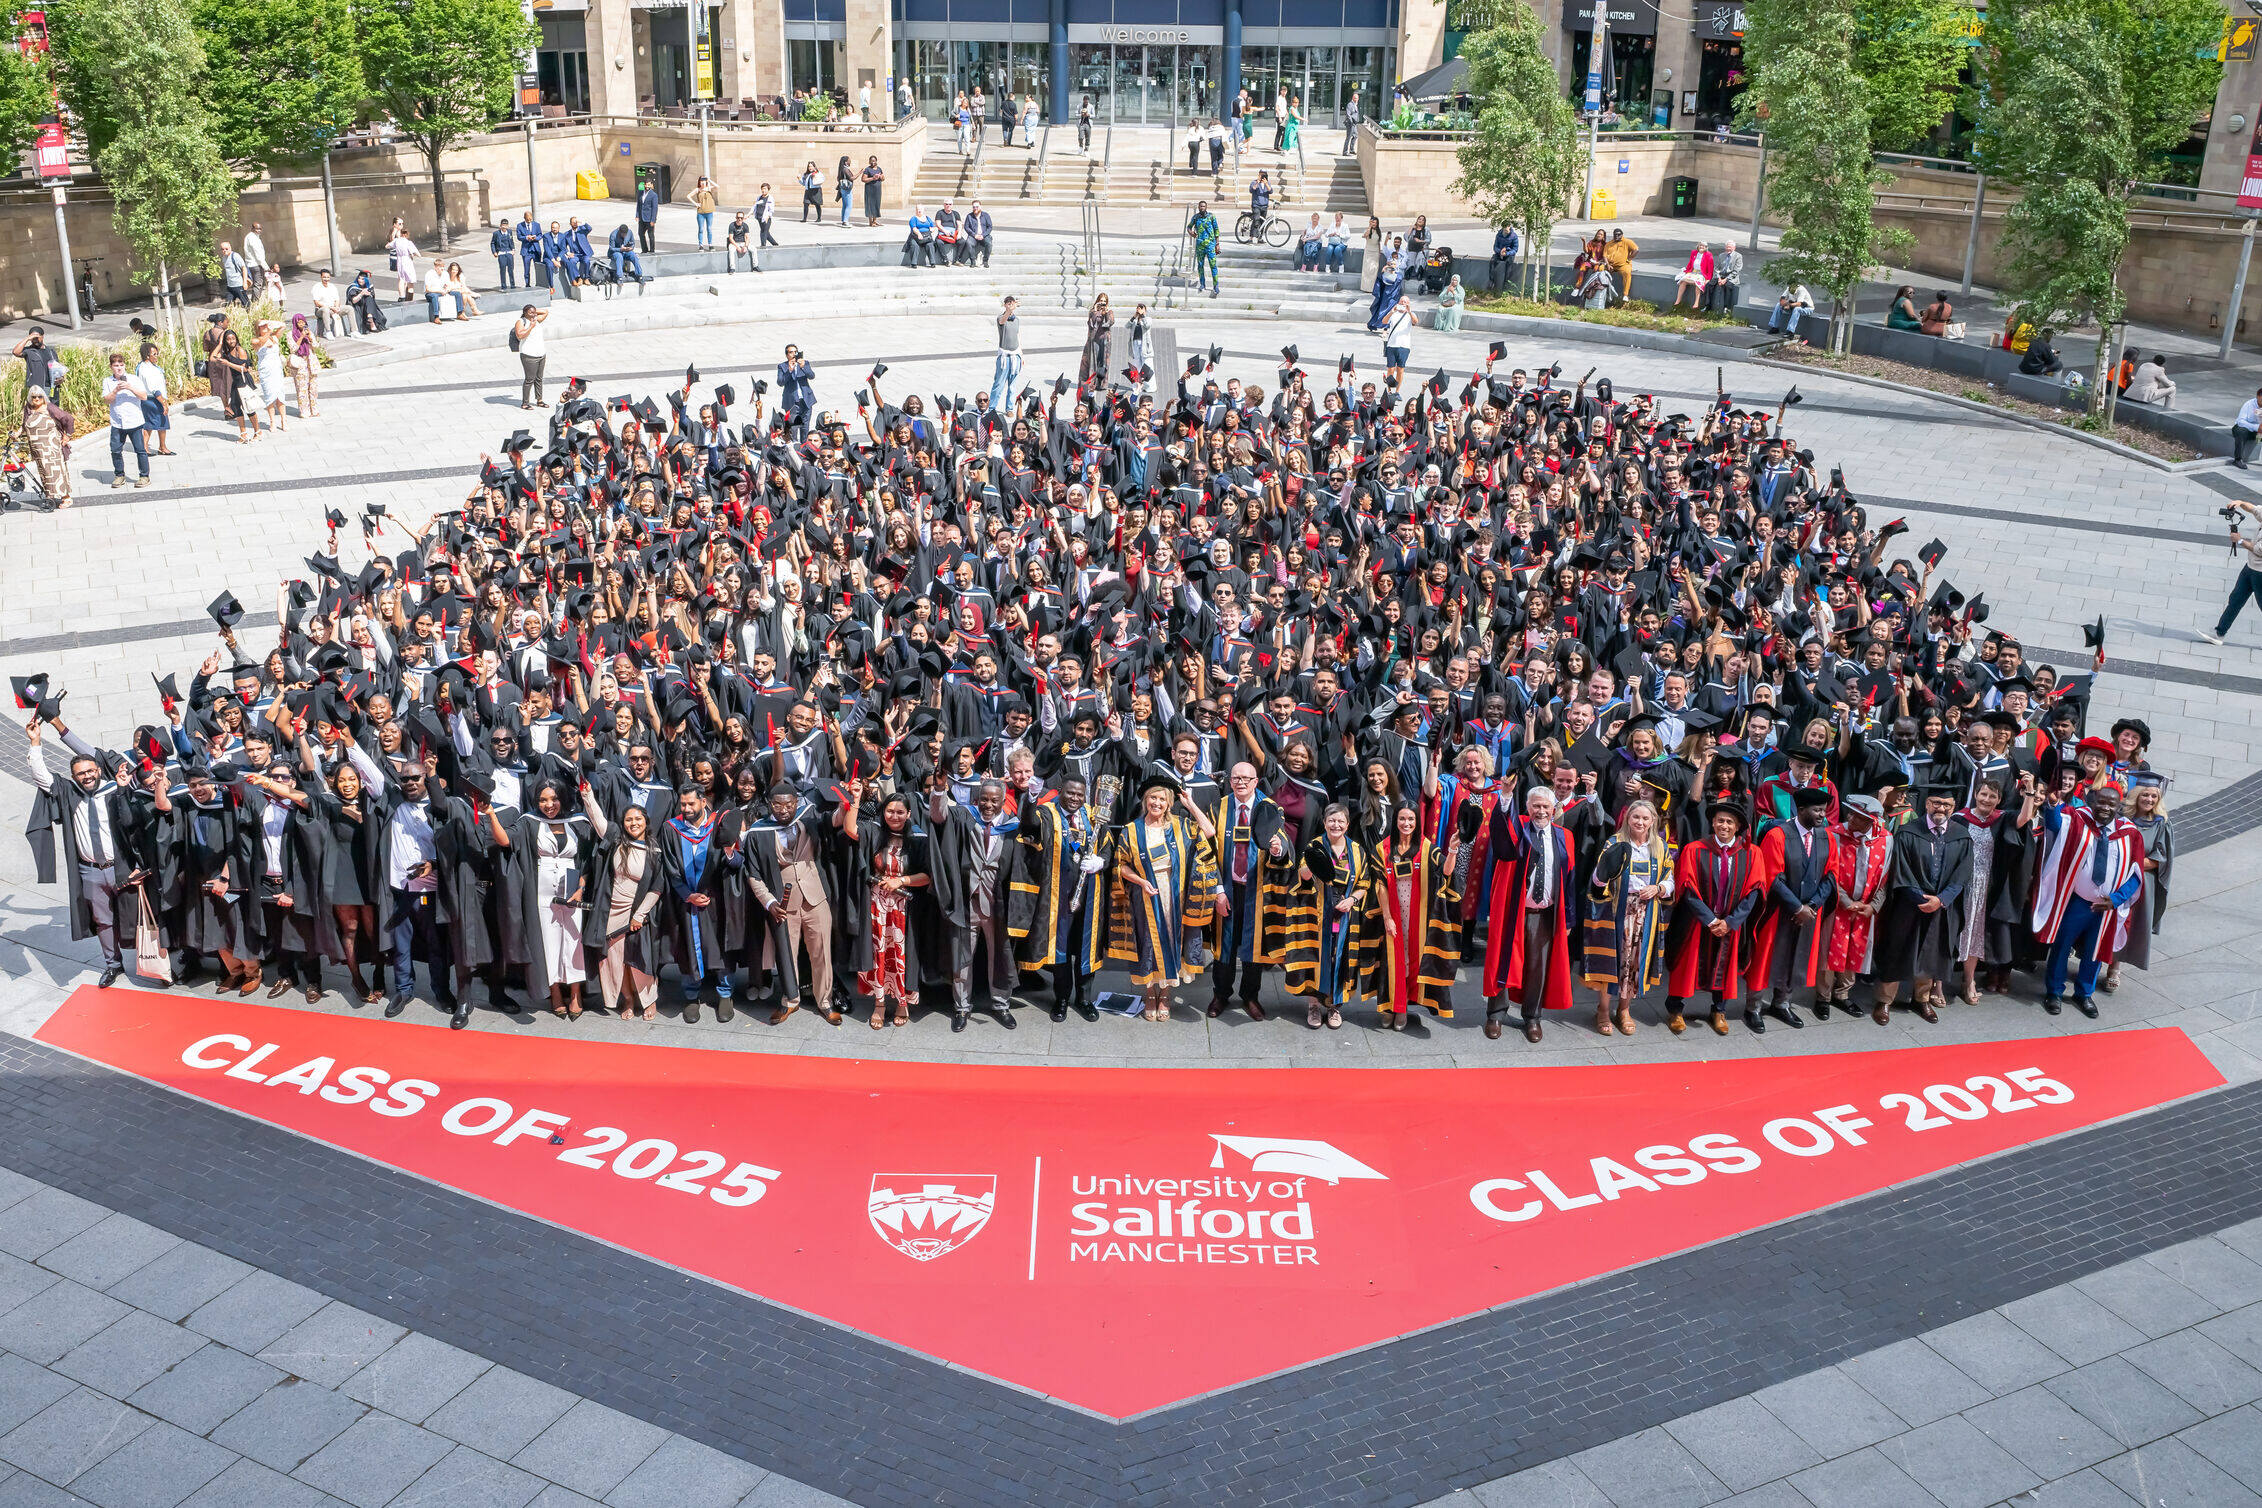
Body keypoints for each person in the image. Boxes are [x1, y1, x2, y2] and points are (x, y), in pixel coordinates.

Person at [2029, 783, 2144, 1018]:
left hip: (2107, 905)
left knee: (2095, 951)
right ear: (2092, 802)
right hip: (2078, 901)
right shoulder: (2079, 819)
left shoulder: (2130, 833)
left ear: (2119, 806)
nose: (2104, 807)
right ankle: (2054, 992)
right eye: (2100, 801)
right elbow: (2054, 825)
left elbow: (2136, 874)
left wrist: (2116, 899)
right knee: (2062, 946)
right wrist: (2051, 805)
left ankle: (2084, 993)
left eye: (2111, 804)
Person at [1583, 798, 1672, 1034]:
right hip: (1617, 911)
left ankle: (1624, 1009)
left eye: (1645, 818)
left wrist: (1659, 888)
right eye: (1636, 817)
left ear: (1653, 820)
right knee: (1614, 961)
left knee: (1634, 962)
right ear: (1627, 818)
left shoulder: (1660, 846)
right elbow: (1597, 878)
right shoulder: (1615, 843)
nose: (1640, 822)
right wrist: (1604, 875)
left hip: (1646, 912)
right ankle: (1603, 1010)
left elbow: (1670, 878)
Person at [2202, 497, 2262, 643]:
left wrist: (2240, 541)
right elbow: (2254, 509)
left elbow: (2259, 550)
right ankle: (2219, 633)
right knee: (2235, 599)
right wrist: (2240, 503)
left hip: (2260, 574)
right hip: (2249, 568)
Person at [101, 352, 151, 490]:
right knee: (115, 450)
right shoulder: (107, 381)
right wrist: (116, 390)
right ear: (111, 367)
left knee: (140, 450)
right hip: (117, 422)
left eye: (121, 365)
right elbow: (106, 400)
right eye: (116, 366)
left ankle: (144, 476)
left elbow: (144, 396)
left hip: (134, 421)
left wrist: (130, 387)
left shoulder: (134, 379)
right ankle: (119, 475)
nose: (119, 368)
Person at [18, 387, 71, 507]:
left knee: (56, 472)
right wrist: (17, 433)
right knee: (45, 473)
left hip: (52, 447)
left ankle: (66, 497)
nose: (36, 399)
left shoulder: (49, 407)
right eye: (34, 397)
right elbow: (24, 424)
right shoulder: (28, 408)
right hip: (38, 449)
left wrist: (67, 436)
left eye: (39, 396)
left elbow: (67, 418)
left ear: (43, 397)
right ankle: (50, 497)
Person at [133, 341, 173, 457]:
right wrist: (163, 402)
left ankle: (162, 447)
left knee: (162, 423)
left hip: (157, 398)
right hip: (152, 400)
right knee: (149, 424)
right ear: (147, 355)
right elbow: (153, 387)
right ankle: (145, 447)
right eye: (154, 354)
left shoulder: (149, 366)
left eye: (157, 353)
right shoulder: (145, 369)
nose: (156, 356)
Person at [513, 304, 549, 410]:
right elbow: (520, 335)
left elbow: (545, 312)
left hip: (541, 353)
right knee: (529, 379)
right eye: (530, 312)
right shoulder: (521, 322)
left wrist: (533, 311)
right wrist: (531, 326)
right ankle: (525, 403)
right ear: (525, 313)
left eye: (534, 312)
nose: (534, 314)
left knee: (539, 378)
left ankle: (539, 400)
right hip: (529, 355)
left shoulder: (536, 319)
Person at [285, 315, 321, 419]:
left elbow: (315, 346)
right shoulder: (290, 334)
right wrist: (301, 337)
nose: (301, 324)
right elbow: (293, 348)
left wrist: (310, 337)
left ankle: (314, 409)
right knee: (302, 389)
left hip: (311, 363)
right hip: (300, 364)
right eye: (299, 322)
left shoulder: (309, 332)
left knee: (313, 388)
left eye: (303, 322)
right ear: (295, 323)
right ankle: (304, 411)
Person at [991, 295, 1021, 413]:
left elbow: (1018, 337)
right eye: (1007, 303)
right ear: (1004, 304)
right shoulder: (1001, 318)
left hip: (1015, 355)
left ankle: (1009, 408)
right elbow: (1003, 320)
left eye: (1011, 302)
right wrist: (1009, 310)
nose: (1010, 304)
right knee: (999, 383)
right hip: (1004, 357)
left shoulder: (1017, 320)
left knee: (1012, 385)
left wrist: (1021, 356)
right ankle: (992, 407)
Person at [14, 327, 64, 397]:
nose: (35, 340)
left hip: (53, 387)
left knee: (54, 407)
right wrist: (27, 339)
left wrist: (61, 378)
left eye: (36, 337)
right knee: (41, 408)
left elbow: (58, 369)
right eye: (32, 338)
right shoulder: (29, 351)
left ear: (42, 336)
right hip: (38, 388)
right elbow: (16, 352)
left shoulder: (51, 352)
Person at [1080, 293, 1113, 384]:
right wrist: (1095, 311)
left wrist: (1105, 314)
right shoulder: (1092, 311)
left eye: (1104, 301)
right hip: (1094, 339)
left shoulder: (1109, 312)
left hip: (1105, 340)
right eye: (1101, 300)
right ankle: (1092, 382)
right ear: (1097, 301)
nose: (1102, 303)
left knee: (1103, 362)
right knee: (1093, 361)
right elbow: (1091, 324)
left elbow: (1109, 323)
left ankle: (1102, 383)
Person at [1189, 201, 1220, 298]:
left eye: (1203, 206)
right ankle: (1202, 284)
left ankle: (1216, 285)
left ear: (1206, 207)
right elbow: (1189, 227)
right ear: (1198, 207)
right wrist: (1191, 233)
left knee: (1213, 265)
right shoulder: (1195, 217)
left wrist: (1217, 244)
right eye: (1200, 206)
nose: (1202, 208)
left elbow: (1216, 230)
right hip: (1200, 245)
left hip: (1210, 245)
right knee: (1200, 265)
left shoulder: (1211, 216)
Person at [1701, 242, 1743, 313]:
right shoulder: (1721, 255)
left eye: (1730, 247)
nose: (1728, 249)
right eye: (1727, 247)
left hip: (1731, 277)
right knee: (1709, 285)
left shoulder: (1738, 256)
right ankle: (1707, 306)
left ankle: (1726, 307)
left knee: (1727, 286)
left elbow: (1736, 270)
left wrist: (1726, 279)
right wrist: (1719, 278)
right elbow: (1716, 268)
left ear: (1734, 248)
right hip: (1721, 276)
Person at [1672, 243, 1713, 309]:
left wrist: (1708, 278)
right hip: (1693, 272)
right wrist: (1687, 271)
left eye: (1703, 246)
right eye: (1700, 245)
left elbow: (1711, 267)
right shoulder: (1694, 252)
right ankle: (1678, 300)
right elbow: (1690, 263)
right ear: (1698, 246)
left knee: (1698, 283)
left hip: (1701, 274)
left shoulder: (1708, 255)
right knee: (1683, 281)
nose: (1701, 247)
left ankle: (1696, 303)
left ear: (1706, 247)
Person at [1602, 228, 1637, 300]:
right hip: (1611, 265)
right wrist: (1607, 264)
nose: (1617, 236)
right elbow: (1604, 256)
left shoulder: (1627, 241)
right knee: (1599, 269)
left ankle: (1625, 295)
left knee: (1627, 273)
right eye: (1615, 235)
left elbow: (1636, 250)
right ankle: (1602, 291)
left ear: (1622, 235)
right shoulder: (1609, 244)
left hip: (1623, 265)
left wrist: (1629, 258)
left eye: (1619, 234)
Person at [2234, 386, 2261, 469]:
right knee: (2241, 431)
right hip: (2244, 429)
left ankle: (2258, 441)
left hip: (2258, 433)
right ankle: (2238, 459)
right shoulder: (2249, 404)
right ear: (2257, 397)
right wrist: (2256, 427)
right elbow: (2241, 422)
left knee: (2259, 438)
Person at [959, 200, 993, 266]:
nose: (975, 208)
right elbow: (966, 227)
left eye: (977, 207)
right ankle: (973, 260)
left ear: (980, 207)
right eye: (974, 207)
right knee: (968, 242)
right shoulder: (969, 216)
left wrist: (983, 235)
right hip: (973, 236)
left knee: (989, 243)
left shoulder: (986, 215)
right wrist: (974, 235)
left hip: (984, 235)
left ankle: (985, 260)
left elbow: (990, 227)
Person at [725, 208, 759, 273]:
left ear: (743, 218)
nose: (740, 219)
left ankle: (755, 267)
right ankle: (732, 268)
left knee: (754, 249)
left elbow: (747, 237)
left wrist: (745, 246)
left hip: (743, 242)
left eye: (741, 218)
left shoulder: (745, 225)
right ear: (736, 218)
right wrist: (737, 247)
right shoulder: (732, 225)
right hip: (734, 243)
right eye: (738, 217)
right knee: (731, 250)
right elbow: (730, 238)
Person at [389, 228, 419, 302]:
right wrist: (412, 254)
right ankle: (409, 300)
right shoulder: (408, 242)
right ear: (407, 234)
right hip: (407, 261)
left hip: (400, 260)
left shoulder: (396, 241)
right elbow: (418, 253)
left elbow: (387, 246)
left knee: (401, 279)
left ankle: (401, 297)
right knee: (410, 282)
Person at [219, 241, 251, 308]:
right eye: (222, 249)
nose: (224, 250)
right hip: (230, 286)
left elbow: (244, 268)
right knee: (228, 305)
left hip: (238, 285)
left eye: (226, 249)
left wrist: (244, 282)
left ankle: (250, 316)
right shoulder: (224, 258)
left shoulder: (235, 256)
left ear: (230, 248)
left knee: (246, 304)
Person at [1488, 224, 1519, 293]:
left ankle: (1506, 284)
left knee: (1509, 264)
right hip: (1500, 252)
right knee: (1492, 261)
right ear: (1502, 228)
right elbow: (1495, 247)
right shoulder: (1499, 235)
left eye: (1508, 228)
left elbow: (1515, 249)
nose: (1507, 230)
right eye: (1505, 229)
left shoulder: (1514, 236)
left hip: (1508, 254)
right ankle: (1491, 282)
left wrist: (1507, 252)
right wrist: (1500, 251)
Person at [636, 175, 661, 252]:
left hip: (649, 218)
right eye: (646, 184)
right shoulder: (640, 193)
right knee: (640, 234)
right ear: (644, 185)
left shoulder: (654, 195)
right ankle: (644, 249)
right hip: (641, 218)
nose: (647, 186)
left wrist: (653, 220)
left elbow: (655, 208)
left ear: (651, 185)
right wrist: (637, 215)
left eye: (649, 184)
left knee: (650, 235)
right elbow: (638, 205)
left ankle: (652, 250)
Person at [861, 155, 885, 226]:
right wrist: (873, 178)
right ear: (869, 161)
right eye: (871, 161)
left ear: (876, 161)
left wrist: (880, 177)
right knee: (870, 204)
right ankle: (870, 222)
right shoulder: (867, 169)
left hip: (877, 190)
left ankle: (874, 221)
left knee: (877, 204)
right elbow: (863, 179)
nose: (872, 162)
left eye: (874, 161)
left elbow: (883, 178)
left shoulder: (879, 169)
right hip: (869, 190)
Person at [834, 155, 855, 227]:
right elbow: (852, 178)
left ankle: (843, 220)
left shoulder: (841, 169)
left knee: (845, 205)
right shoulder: (845, 169)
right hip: (847, 190)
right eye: (849, 160)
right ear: (846, 162)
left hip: (842, 189)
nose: (850, 161)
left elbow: (838, 179)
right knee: (849, 206)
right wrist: (860, 172)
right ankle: (845, 222)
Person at [1340, 86, 1361, 155]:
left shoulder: (1355, 105)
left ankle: (1351, 149)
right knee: (1348, 137)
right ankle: (1345, 152)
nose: (1356, 99)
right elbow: (1348, 114)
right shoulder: (1350, 104)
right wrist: (1351, 122)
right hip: (1350, 123)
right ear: (1352, 98)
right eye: (1355, 98)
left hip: (1354, 124)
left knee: (1355, 136)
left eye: (1357, 98)